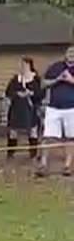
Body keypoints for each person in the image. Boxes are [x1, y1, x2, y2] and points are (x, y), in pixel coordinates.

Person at [39, 46, 74, 177]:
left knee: (70, 137)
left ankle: (67, 166)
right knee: (48, 137)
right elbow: (43, 84)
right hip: (53, 107)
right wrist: (58, 79)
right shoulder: (55, 67)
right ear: (65, 54)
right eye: (69, 52)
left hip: (71, 108)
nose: (71, 54)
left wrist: (70, 80)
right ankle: (43, 164)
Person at [5, 57, 43, 160]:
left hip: (30, 108)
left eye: (24, 65)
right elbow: (8, 92)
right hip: (17, 107)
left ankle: (33, 154)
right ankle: (10, 153)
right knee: (13, 131)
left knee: (32, 130)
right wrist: (17, 94)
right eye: (21, 65)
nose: (22, 67)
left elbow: (40, 93)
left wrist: (30, 93)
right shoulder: (16, 79)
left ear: (29, 65)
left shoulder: (36, 79)